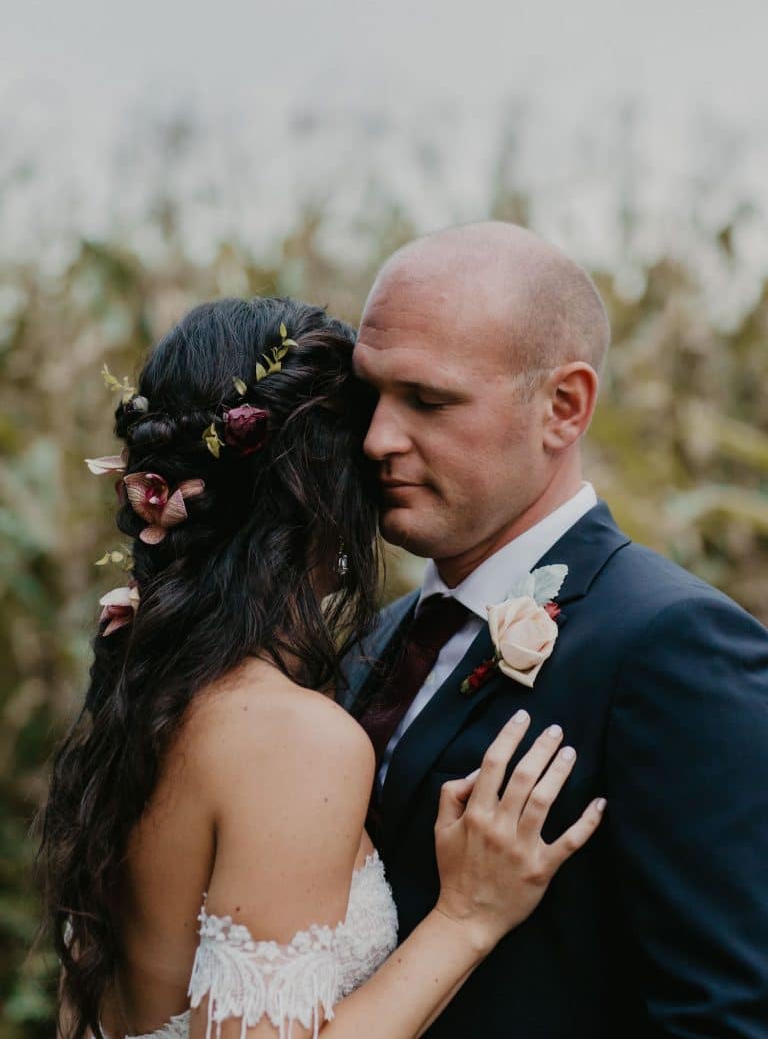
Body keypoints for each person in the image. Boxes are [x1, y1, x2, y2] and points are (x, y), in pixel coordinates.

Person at [39, 296, 604, 1039]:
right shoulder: (292, 737)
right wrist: (466, 920)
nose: (384, 449)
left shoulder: (144, 691)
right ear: (320, 485)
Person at [346, 221, 768, 1039]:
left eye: (428, 400)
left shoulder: (673, 646)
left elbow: (729, 1014)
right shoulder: (379, 639)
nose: (376, 439)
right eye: (371, 394)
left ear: (563, 408)